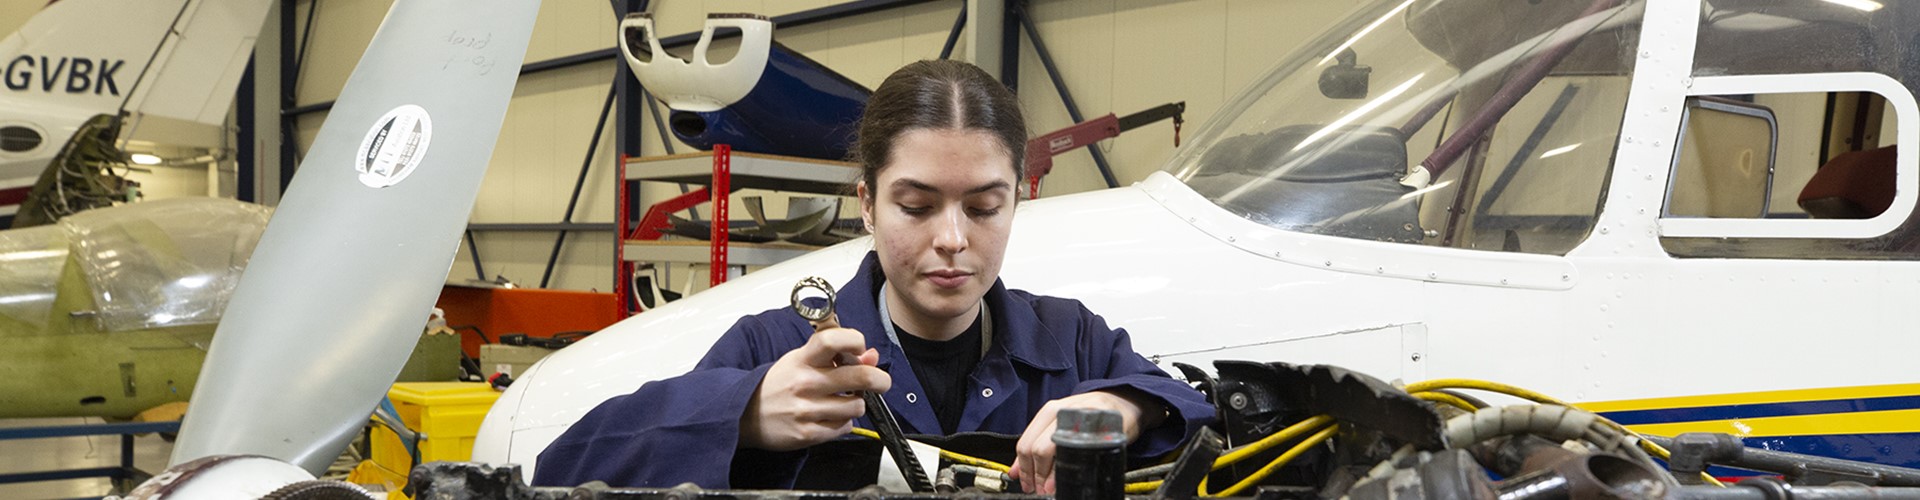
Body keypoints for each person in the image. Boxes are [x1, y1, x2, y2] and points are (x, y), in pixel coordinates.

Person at [533, 59, 1214, 493]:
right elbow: (566, 465)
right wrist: (741, 415)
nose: (952, 239)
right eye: (916, 206)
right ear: (866, 203)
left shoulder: (1071, 342)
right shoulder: (773, 351)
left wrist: (1126, 405)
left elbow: (1205, 413)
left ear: (1018, 201)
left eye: (984, 207)